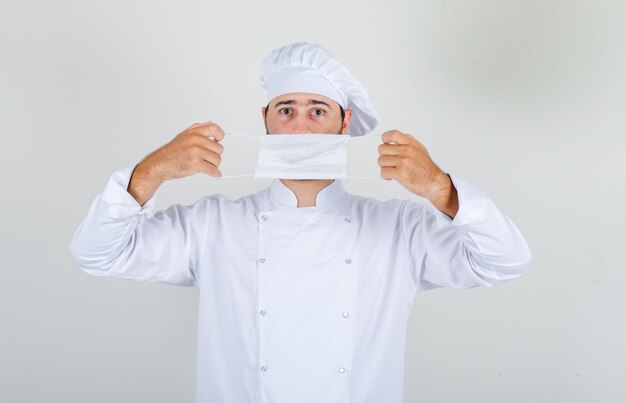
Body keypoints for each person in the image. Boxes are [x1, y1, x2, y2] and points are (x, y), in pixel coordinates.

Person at [70, 41, 532, 403]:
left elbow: (505, 261)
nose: (302, 127)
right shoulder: (214, 225)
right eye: (286, 110)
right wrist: (153, 171)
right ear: (266, 121)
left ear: (344, 124)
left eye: (318, 111)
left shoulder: (399, 231)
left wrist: (440, 189)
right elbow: (96, 253)